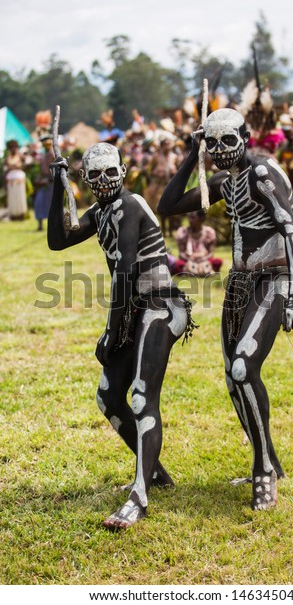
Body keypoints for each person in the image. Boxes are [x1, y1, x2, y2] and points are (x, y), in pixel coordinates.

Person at [158, 108, 293, 511]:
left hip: (273, 278)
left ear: (247, 136)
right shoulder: (225, 181)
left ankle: (262, 471)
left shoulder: (261, 174)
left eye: (229, 140)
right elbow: (168, 204)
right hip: (240, 283)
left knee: (243, 367)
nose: (221, 151)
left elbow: (291, 230)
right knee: (232, 377)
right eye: (214, 143)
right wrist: (193, 155)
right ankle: (271, 462)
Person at [48, 142, 195, 529]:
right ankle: (156, 473)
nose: (104, 181)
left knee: (142, 397)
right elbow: (58, 240)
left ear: (124, 170)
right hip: (135, 309)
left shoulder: (129, 206)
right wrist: (57, 186)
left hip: (161, 306)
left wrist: (113, 332)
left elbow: (127, 270)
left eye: (110, 172)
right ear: (85, 179)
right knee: (109, 399)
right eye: (94, 176)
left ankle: (139, 495)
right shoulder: (100, 211)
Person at [171, 210, 223, 276]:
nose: (190, 220)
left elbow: (211, 253)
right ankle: (203, 271)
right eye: (189, 217)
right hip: (188, 261)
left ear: (201, 218)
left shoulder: (209, 232)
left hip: (204, 260)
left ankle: (193, 271)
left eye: (193, 217)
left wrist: (202, 258)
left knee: (217, 261)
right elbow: (181, 254)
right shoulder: (183, 232)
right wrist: (190, 259)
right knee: (178, 265)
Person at [34, 134, 55, 231]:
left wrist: (46, 180)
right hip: (44, 183)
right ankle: (40, 225)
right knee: (39, 203)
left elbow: (53, 172)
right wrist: (38, 179)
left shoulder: (51, 154)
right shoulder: (44, 155)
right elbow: (43, 171)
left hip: (50, 184)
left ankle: (54, 226)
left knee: (51, 205)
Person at [3, 139, 28, 220]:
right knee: (12, 197)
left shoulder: (20, 156)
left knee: (20, 196)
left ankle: (21, 214)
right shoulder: (8, 158)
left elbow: (27, 163)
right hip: (10, 181)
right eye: (11, 147)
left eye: (14, 147)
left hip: (19, 179)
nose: (13, 149)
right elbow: (5, 169)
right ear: (9, 148)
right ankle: (13, 215)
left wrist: (20, 167)